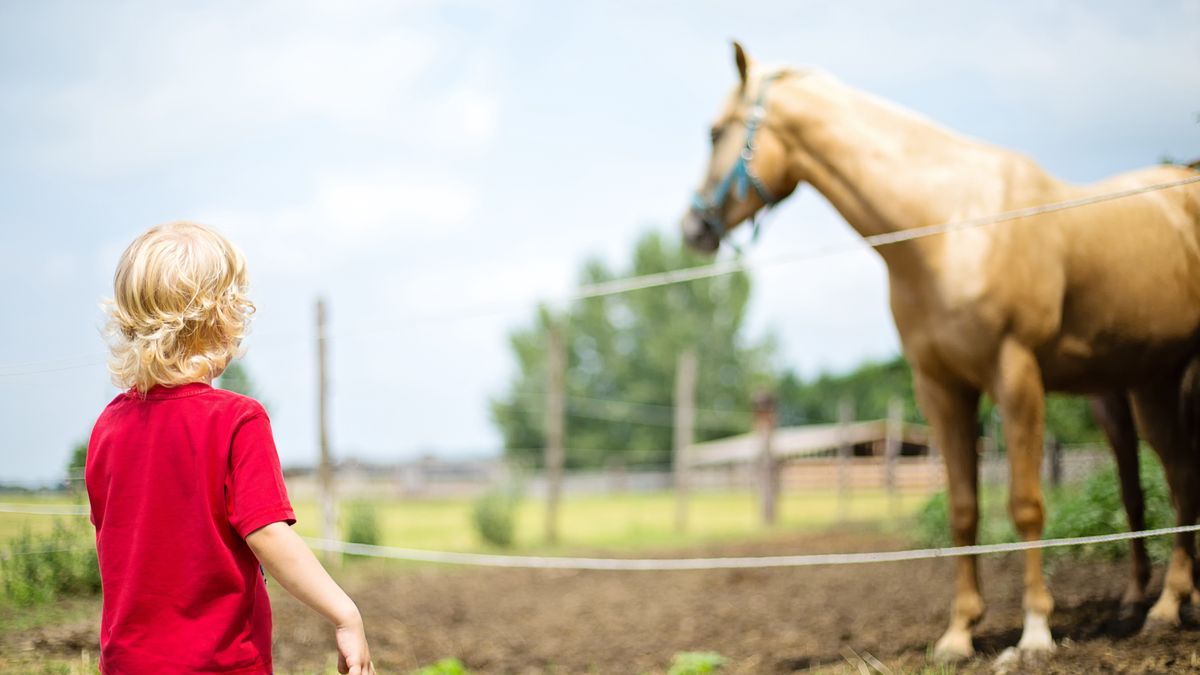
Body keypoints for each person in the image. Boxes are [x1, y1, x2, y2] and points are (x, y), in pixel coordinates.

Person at [86, 221, 375, 674]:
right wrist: (345, 614)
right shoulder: (237, 419)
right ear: (223, 319)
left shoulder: (108, 426)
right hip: (218, 664)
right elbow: (269, 534)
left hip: (127, 663)